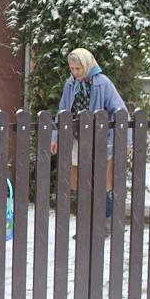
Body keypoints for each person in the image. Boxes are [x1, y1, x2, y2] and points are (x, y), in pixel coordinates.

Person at [50, 48, 127, 221]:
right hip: (78, 140)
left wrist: (124, 140)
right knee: (81, 181)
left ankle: (105, 222)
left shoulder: (102, 83)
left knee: (102, 182)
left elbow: (120, 111)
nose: (75, 72)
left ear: (87, 65)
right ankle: (85, 222)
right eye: (72, 68)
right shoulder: (71, 84)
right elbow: (62, 111)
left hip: (99, 140)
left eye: (78, 68)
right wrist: (55, 137)